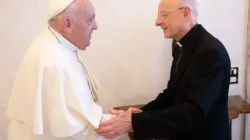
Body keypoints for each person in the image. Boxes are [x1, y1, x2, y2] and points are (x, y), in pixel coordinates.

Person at [96, 0, 231, 140]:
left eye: (164, 15)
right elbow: (171, 95)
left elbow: (193, 112)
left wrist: (134, 122)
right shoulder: (180, 48)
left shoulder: (210, 52)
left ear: (185, 13)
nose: (157, 22)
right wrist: (140, 114)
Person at [6, 0, 122, 140]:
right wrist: (126, 123)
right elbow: (75, 133)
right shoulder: (54, 62)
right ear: (67, 24)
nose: (96, 26)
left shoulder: (55, 44)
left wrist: (130, 120)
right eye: (90, 21)